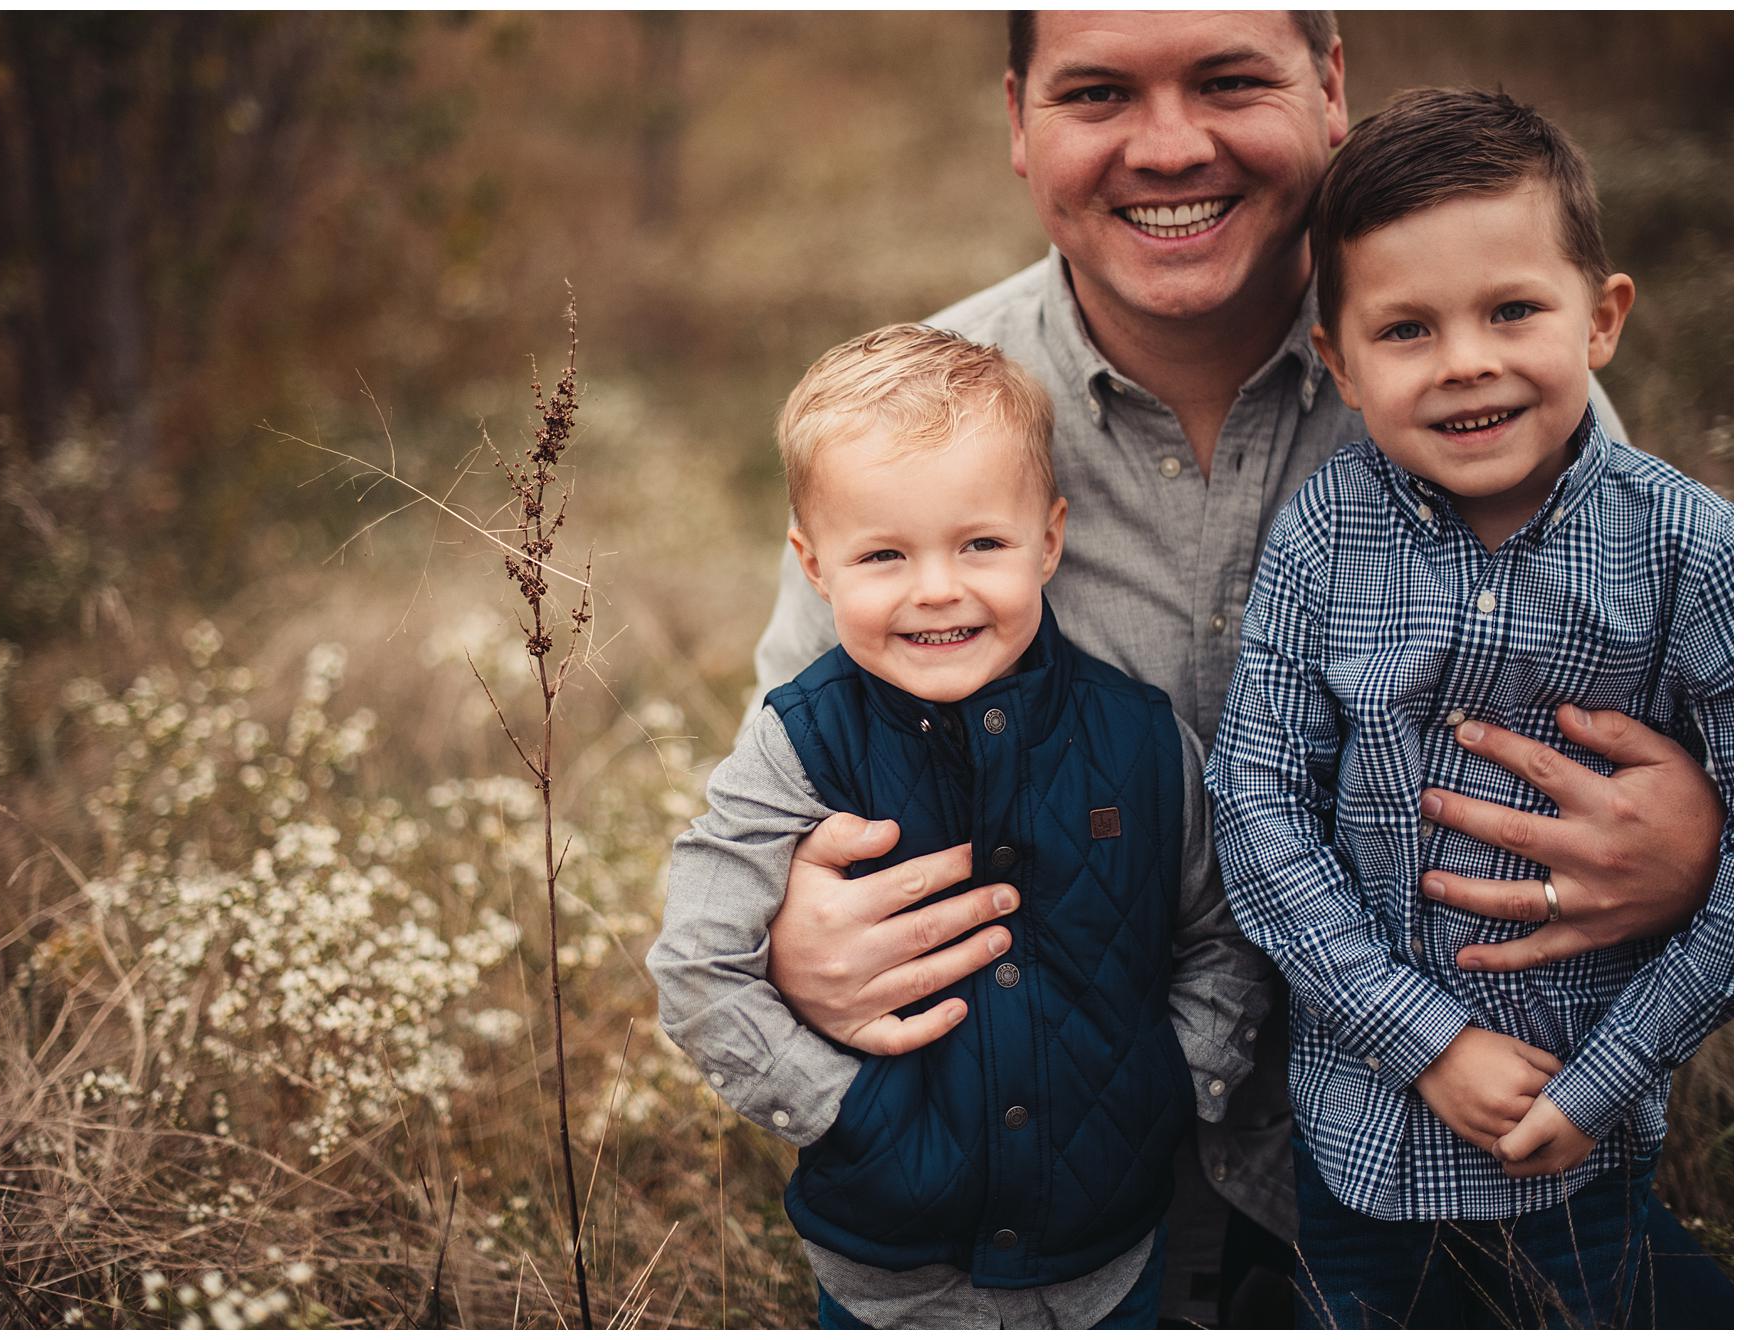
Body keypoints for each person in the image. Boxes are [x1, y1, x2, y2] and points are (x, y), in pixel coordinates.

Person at [743, 11, 1728, 1326]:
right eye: (1098, 93)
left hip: (1471, 1157)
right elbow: (780, 786)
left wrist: (1696, 849)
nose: (1168, 147)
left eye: (1227, 79)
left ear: (1328, 87)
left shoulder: (1510, 414)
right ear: (1018, 121)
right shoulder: (914, 432)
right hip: (1039, 1214)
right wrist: (785, 928)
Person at [1204, 87, 1733, 1327]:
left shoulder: (1686, 548)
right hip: (1361, 1129)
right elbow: (1256, 799)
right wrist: (1424, 1040)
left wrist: (1609, 1071)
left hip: (1582, 1136)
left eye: (1510, 310)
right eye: (1405, 329)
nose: (1463, 363)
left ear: (1599, 318)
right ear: (1338, 363)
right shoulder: (1324, 535)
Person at [650, 324, 1272, 1327]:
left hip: (1111, 1261)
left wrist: (1172, 1082)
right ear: (814, 565)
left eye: (980, 543)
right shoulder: (798, 743)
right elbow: (698, 961)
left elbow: (1223, 930)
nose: (936, 587)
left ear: (1049, 541)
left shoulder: (1144, 740)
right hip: (886, 1275)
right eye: (883, 554)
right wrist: (835, 1109)